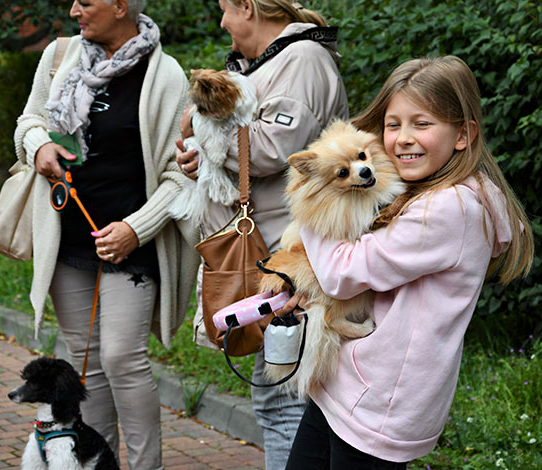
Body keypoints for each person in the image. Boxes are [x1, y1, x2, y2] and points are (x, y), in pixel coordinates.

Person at [282, 55, 534, 468]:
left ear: (463, 135)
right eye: (393, 123)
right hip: (349, 386)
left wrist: (309, 201)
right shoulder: (431, 191)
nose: (402, 138)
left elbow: (342, 273)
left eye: (422, 123)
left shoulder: (452, 207)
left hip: (380, 406)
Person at [13, 1, 199, 468]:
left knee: (121, 359)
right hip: (68, 238)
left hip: (131, 244)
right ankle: (97, 463)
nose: (74, 9)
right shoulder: (60, 56)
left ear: (120, 7)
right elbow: (28, 123)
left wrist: (136, 229)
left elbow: (182, 175)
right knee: (85, 362)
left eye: (87, 1)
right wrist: (40, 146)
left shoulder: (167, 76)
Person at [175, 1, 349, 468]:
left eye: (225, 10)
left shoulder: (303, 60)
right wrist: (200, 157)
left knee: (283, 400)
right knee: (282, 397)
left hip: (287, 258)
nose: (222, 23)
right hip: (271, 255)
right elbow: (243, 149)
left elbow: (274, 147)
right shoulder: (269, 63)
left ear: (248, 7)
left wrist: (205, 132)